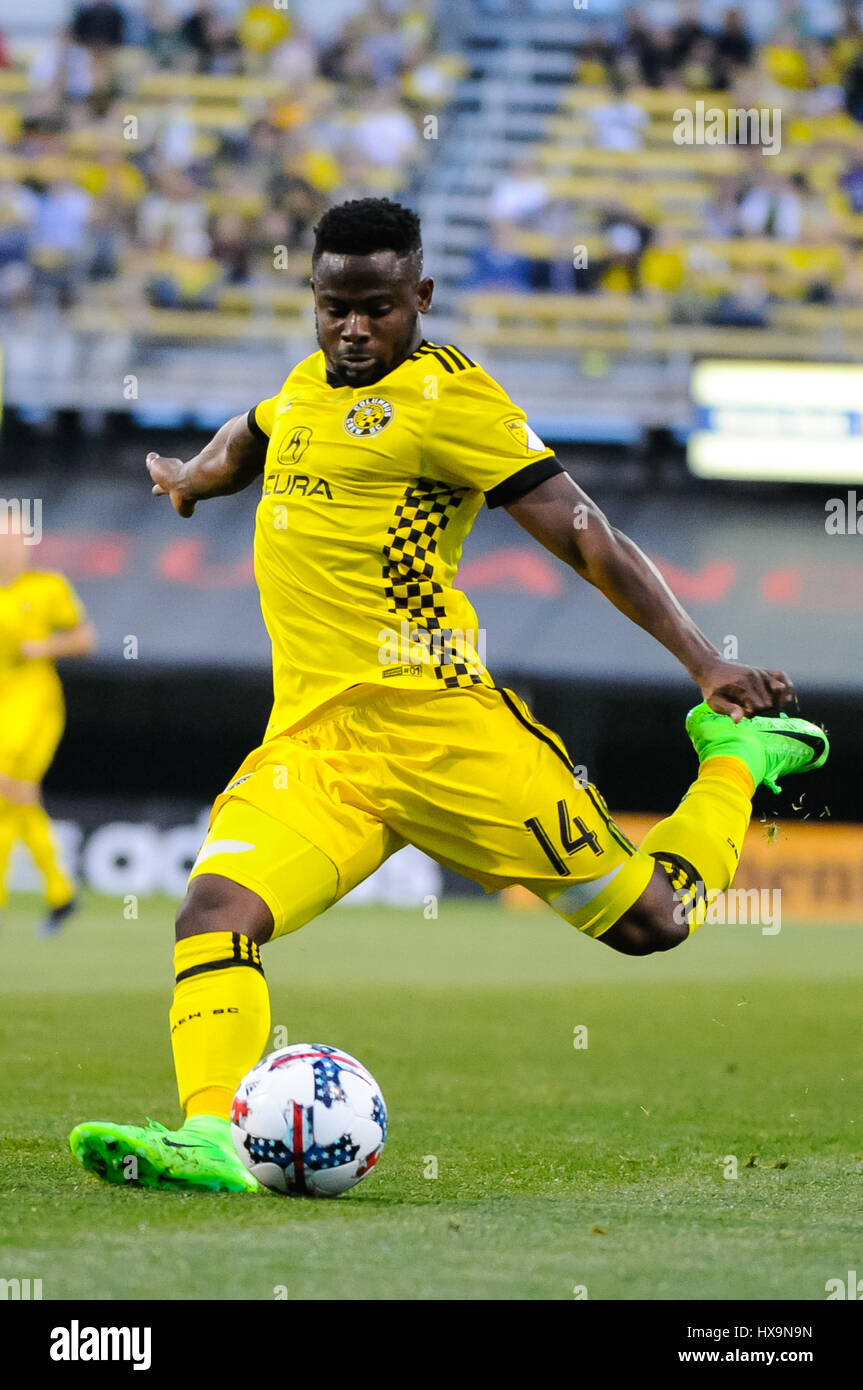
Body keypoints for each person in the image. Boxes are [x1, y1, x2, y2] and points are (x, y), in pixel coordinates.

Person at [70, 198, 829, 1193]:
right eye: (334, 306)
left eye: (376, 307)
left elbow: (584, 531)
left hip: (443, 729)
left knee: (653, 923)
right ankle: (212, 1137)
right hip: (315, 748)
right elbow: (249, 436)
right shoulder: (304, 388)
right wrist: (189, 480)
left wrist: (703, 663)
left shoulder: (451, 400)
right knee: (213, 910)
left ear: (419, 296)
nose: (352, 328)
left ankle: (734, 758)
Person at [0, 531, 95, 934]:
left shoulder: (46, 586)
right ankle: (61, 894)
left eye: (14, 540)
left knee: (8, 790)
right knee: (15, 797)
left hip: (34, 707)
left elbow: (84, 638)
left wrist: (43, 648)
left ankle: (57, 894)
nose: (9, 549)